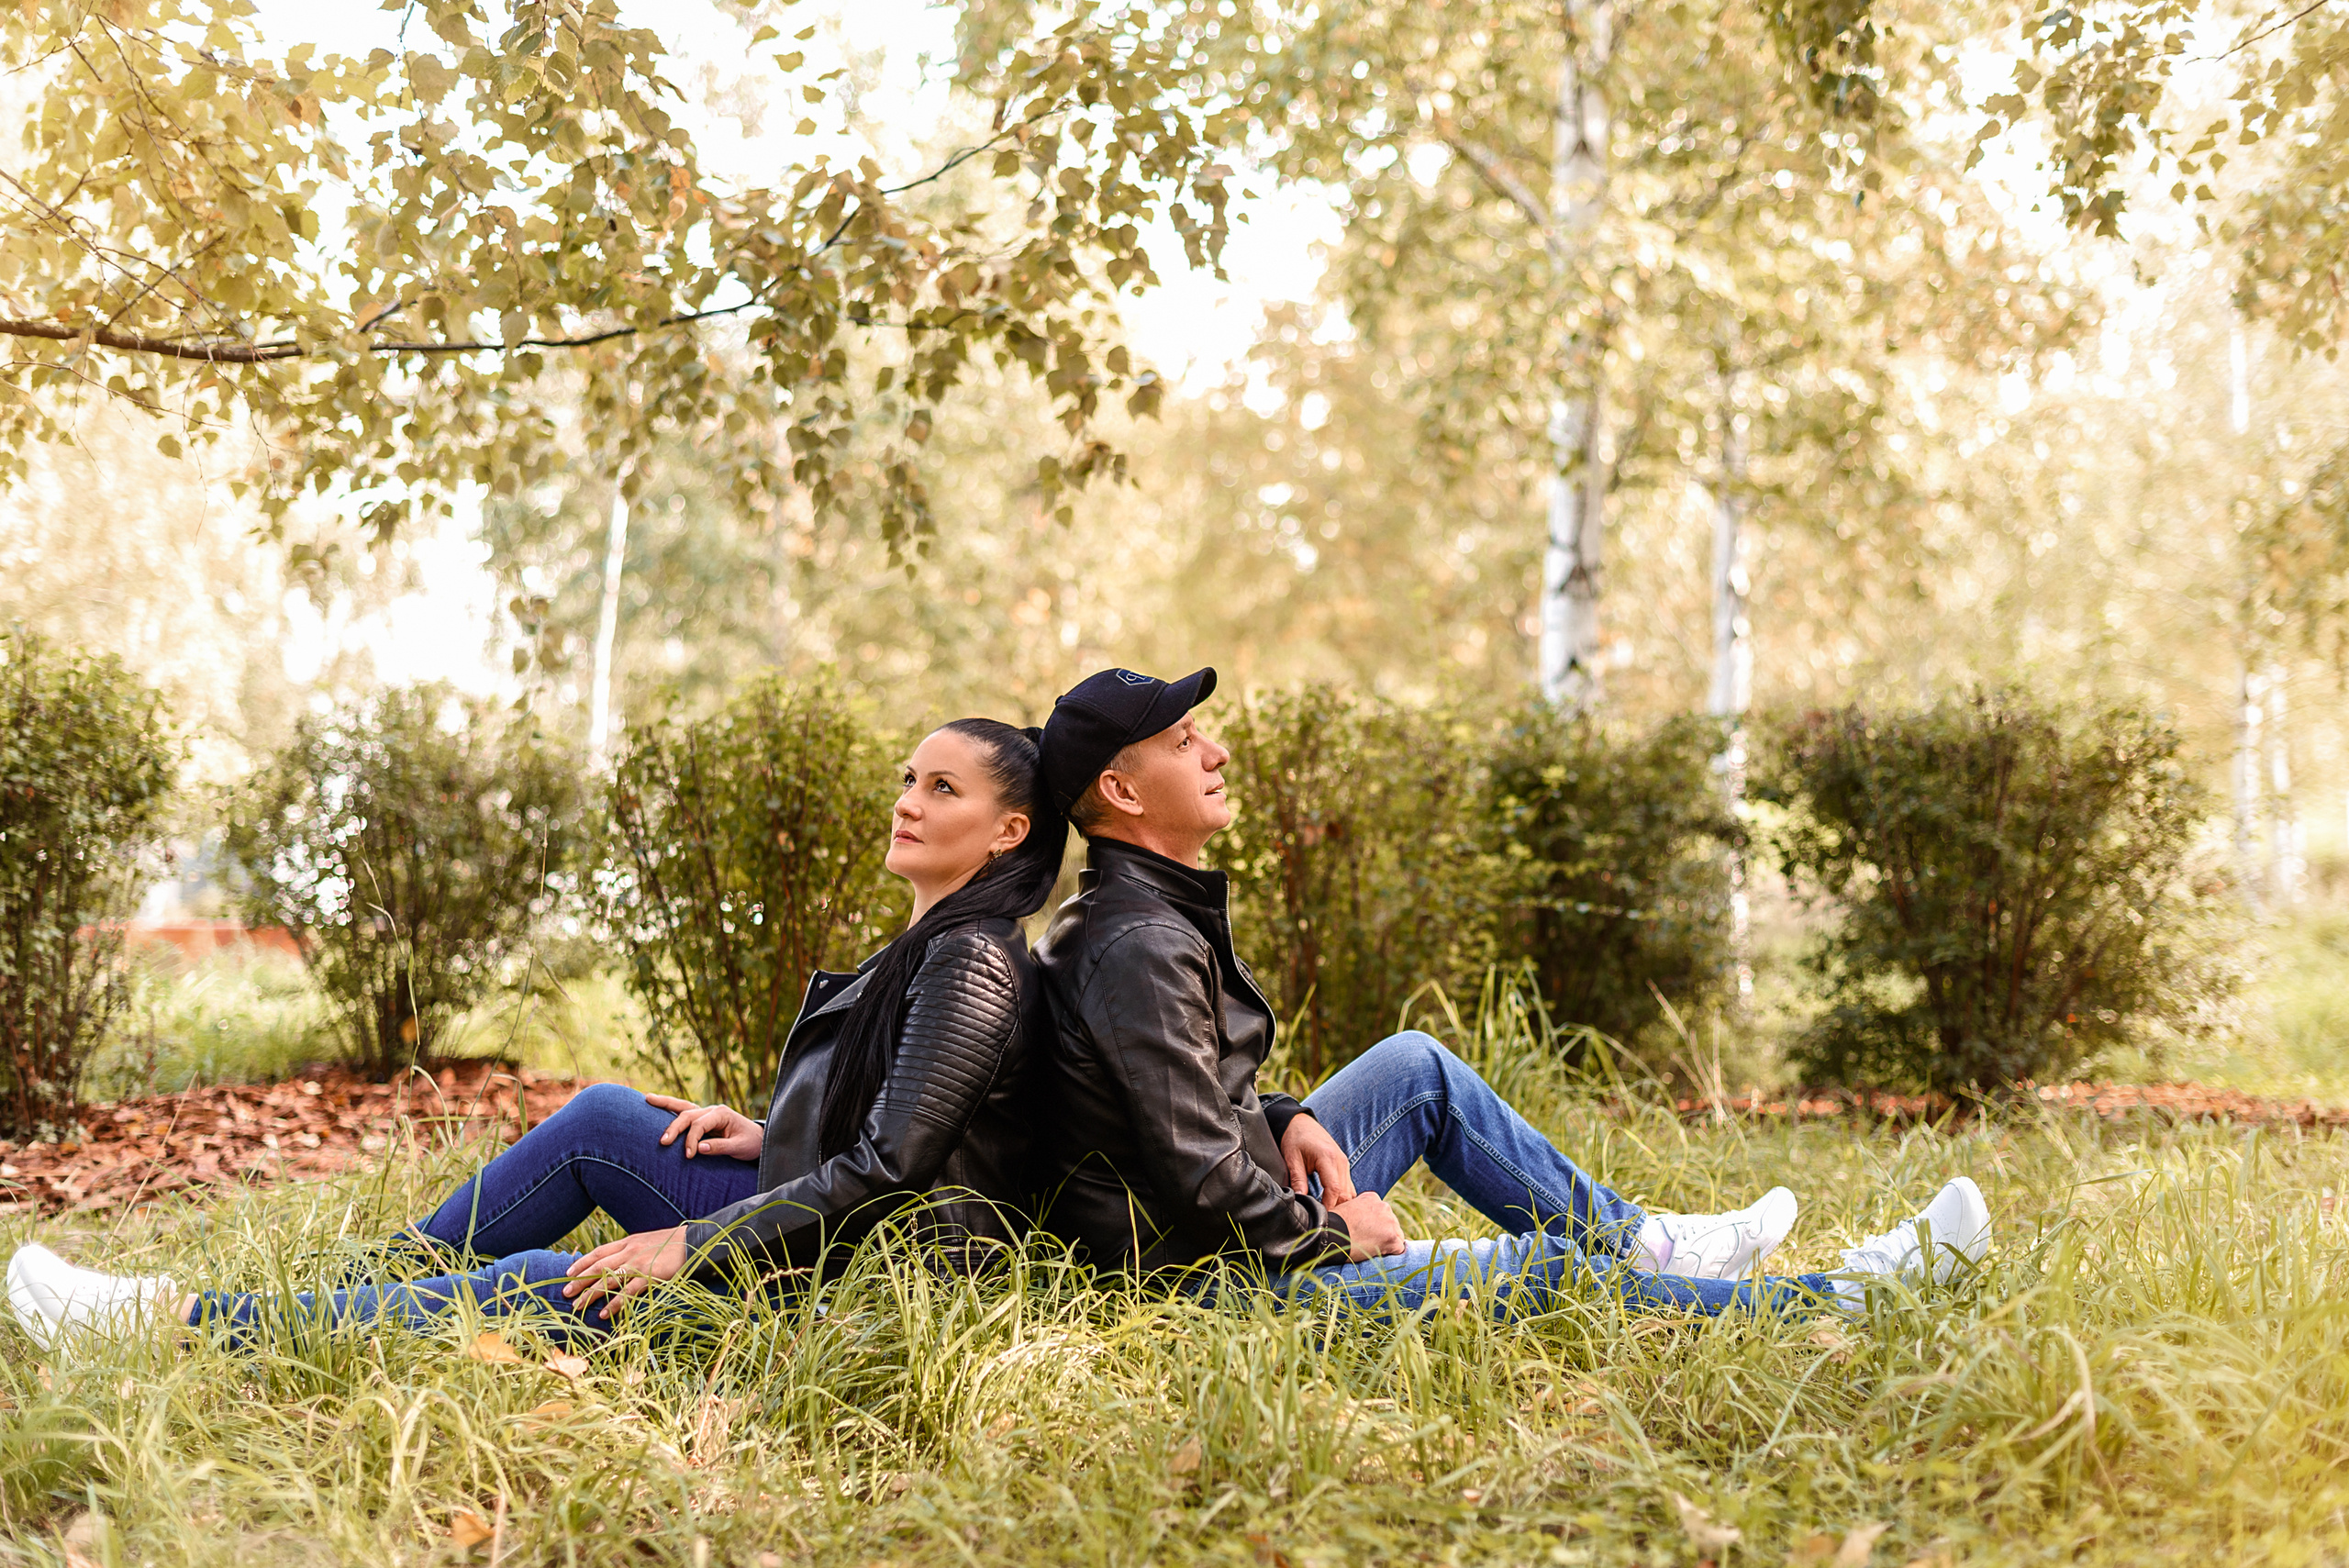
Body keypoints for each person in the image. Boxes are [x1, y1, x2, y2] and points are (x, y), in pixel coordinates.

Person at [6, 718, 1064, 1350]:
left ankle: (182, 1320)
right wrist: (764, 1125)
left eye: (940, 787)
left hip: (838, 1290)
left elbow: (894, 1169)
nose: (906, 800)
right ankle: (354, 1284)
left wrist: (686, 1241)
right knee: (612, 1115)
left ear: (1009, 830)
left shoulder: (972, 958)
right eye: (906, 778)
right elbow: (897, 1113)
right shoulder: (933, 940)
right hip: (817, 1235)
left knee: (552, 1282)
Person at [1029, 666, 1992, 1319]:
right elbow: (1197, 1177)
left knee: (1415, 1068)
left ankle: (1650, 1243)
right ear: (1120, 791)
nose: (1216, 753)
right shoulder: (1137, 939)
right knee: (1546, 1272)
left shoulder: (1145, 911)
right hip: (1216, 1279)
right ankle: (1848, 1297)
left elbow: (1174, 1100)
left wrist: (1282, 1113)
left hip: (1219, 1221)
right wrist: (1333, 1229)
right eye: (1185, 740)